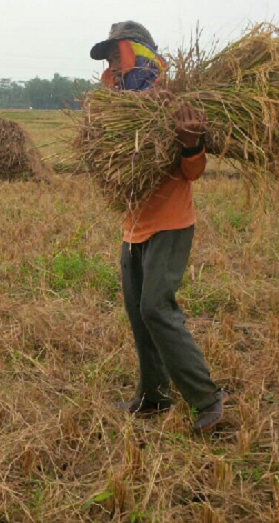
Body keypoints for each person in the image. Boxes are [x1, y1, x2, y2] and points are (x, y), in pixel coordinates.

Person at [90, 21, 226, 432]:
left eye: (117, 53)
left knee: (156, 308)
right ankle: (154, 398)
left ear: (138, 52)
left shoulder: (173, 102)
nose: (113, 62)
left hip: (170, 224)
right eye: (109, 57)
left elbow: (194, 171)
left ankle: (208, 400)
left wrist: (190, 143)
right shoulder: (118, 112)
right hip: (133, 229)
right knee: (138, 313)